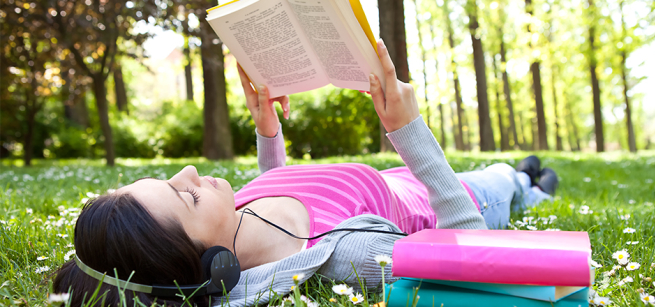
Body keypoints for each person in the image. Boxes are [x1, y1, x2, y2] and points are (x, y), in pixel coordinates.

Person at [52, 40, 558, 306]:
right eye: (186, 198)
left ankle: (526, 178)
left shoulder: (234, 218)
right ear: (213, 266)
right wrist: (409, 132)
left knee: (506, 171)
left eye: (169, 180)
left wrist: (268, 131)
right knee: (504, 178)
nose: (189, 173)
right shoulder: (350, 257)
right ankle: (529, 185)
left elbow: (281, 192)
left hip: (393, 181)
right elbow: (472, 260)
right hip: (445, 193)